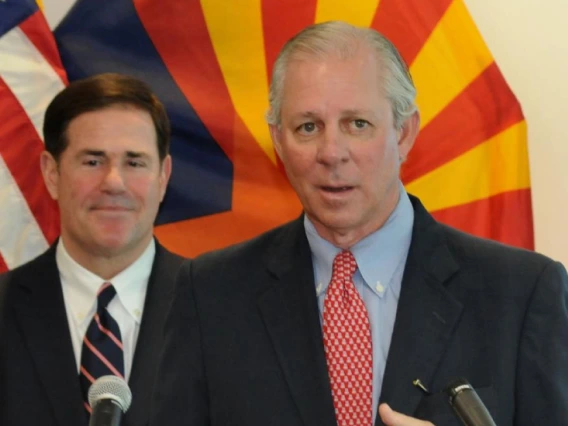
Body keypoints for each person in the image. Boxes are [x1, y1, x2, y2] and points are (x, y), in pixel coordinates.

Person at [150, 21, 568, 426]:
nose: (332, 152)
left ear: (404, 133)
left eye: (358, 124)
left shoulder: (522, 294)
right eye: (308, 127)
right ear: (278, 141)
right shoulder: (209, 296)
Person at [0, 73, 185, 426]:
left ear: (163, 177)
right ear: (52, 173)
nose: (113, 182)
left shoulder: (222, 312)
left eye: (134, 162)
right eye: (92, 161)